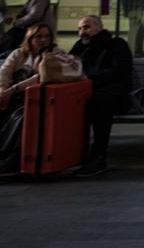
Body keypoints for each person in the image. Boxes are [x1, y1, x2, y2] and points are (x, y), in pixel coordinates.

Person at [70, 15, 133, 178]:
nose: (82, 31)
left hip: (114, 96)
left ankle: (98, 156)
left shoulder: (116, 44)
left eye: (86, 27)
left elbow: (120, 72)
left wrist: (91, 79)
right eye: (80, 28)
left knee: (99, 104)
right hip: (87, 93)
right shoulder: (80, 46)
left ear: (99, 27)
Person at [0, 24, 62, 176]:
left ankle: (11, 159)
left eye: (47, 36)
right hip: (13, 96)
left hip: (40, 100)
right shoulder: (19, 53)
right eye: (38, 36)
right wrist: (2, 91)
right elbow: (4, 73)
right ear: (30, 38)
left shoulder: (55, 54)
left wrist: (11, 91)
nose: (43, 40)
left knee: (22, 117)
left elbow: (40, 78)